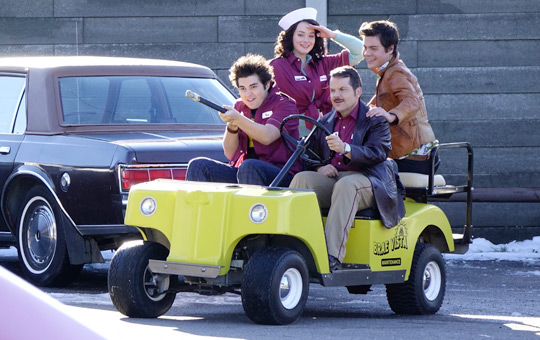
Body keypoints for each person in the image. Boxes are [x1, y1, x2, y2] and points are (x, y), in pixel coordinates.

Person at [289, 66, 405, 272]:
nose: (336, 95)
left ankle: (330, 256)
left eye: (342, 90)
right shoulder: (325, 121)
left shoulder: (375, 119)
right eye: (333, 90)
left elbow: (379, 152)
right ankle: (296, 249)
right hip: (337, 178)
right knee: (302, 179)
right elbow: (310, 155)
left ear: (357, 92)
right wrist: (320, 168)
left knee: (346, 185)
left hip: (370, 179)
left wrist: (347, 149)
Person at [186, 54, 301, 187]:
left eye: (253, 87)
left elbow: (267, 136)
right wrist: (232, 125)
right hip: (245, 171)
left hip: (281, 174)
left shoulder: (284, 104)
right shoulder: (239, 106)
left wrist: (238, 119)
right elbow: (229, 153)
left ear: (267, 84)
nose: (248, 94)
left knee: (249, 166)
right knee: (198, 165)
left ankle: (251, 208)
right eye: (242, 89)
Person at [360, 20, 439, 175]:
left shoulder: (396, 73)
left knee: (360, 173)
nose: (366, 53)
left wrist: (390, 115)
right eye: (365, 47)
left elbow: (411, 101)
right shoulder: (386, 72)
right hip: (406, 154)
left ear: (390, 49)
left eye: (373, 48)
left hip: (415, 157)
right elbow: (371, 107)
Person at [270, 7, 364, 130]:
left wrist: (333, 35)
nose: (306, 40)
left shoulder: (324, 62)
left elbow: (360, 51)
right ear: (290, 36)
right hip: (291, 136)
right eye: (300, 35)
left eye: (311, 36)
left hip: (325, 133)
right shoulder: (275, 67)